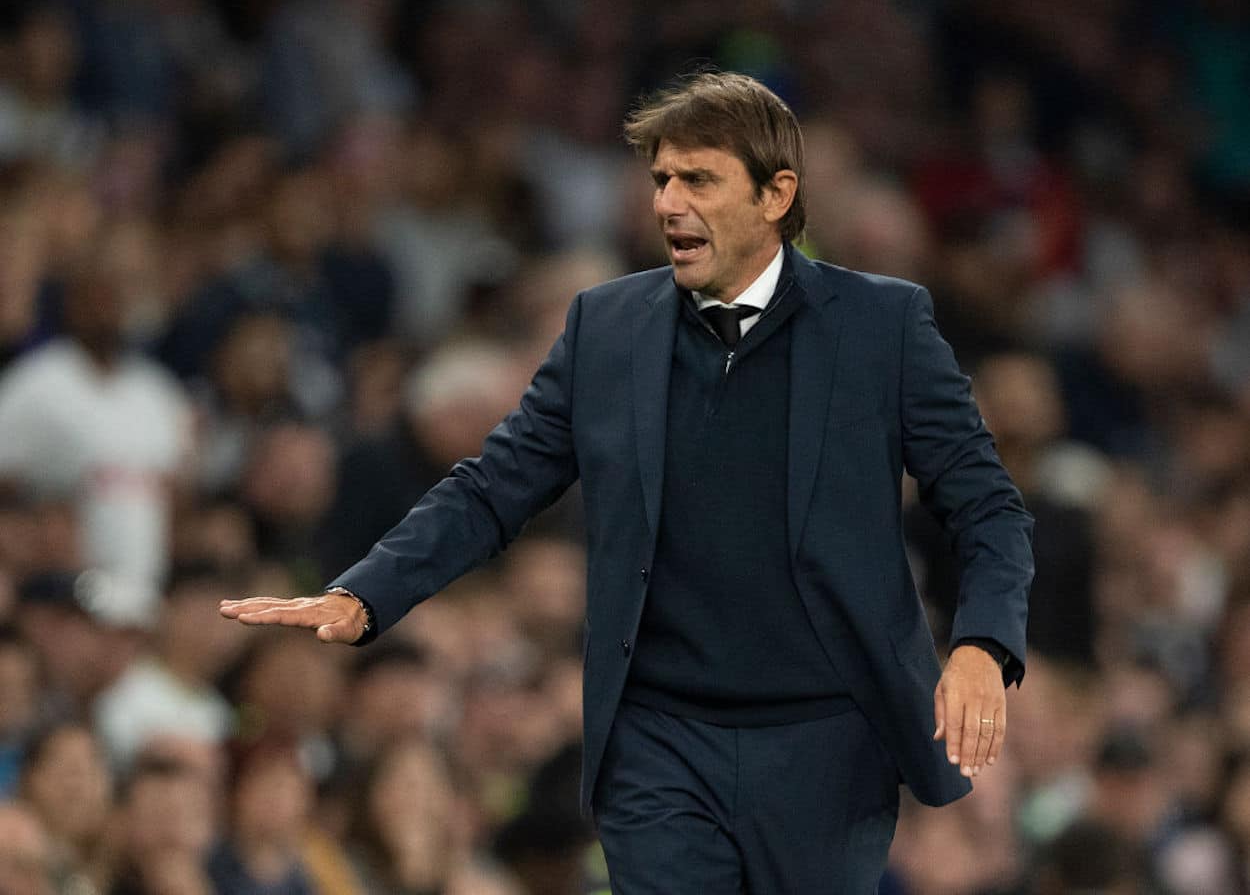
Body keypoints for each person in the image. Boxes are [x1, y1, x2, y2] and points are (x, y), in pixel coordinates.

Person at [222, 71, 1034, 892]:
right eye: (661, 180)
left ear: (776, 195)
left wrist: (980, 644)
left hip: (828, 740)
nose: (668, 204)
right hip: (658, 740)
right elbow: (492, 488)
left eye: (699, 179)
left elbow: (986, 506)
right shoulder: (604, 328)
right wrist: (366, 596)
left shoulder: (883, 326)